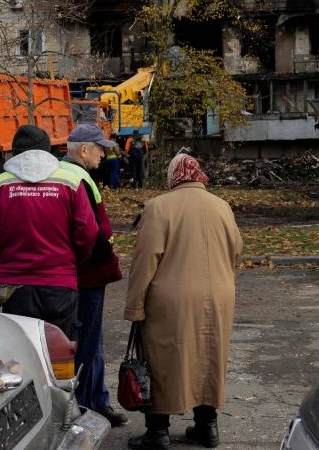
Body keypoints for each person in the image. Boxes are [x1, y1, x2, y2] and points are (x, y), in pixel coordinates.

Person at [123, 153, 243, 450]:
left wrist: (135, 305)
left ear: (173, 176)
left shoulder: (158, 207)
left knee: (161, 360)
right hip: (218, 295)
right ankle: (207, 427)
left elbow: (145, 260)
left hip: (171, 299)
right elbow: (236, 250)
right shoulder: (222, 206)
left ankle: (158, 433)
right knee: (210, 356)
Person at [0, 125, 99, 340]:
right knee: (59, 352)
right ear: (48, 150)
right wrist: (72, 258)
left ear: (14, 152)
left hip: (16, 286)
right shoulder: (70, 182)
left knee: (23, 351)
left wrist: (8, 251)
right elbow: (88, 231)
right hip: (60, 283)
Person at [54, 124, 127, 428]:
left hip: (72, 272)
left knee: (87, 340)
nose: (103, 154)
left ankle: (95, 400)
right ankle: (88, 405)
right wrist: (105, 257)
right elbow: (91, 232)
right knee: (86, 341)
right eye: (99, 148)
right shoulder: (79, 178)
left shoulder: (61, 173)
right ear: (83, 150)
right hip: (87, 274)